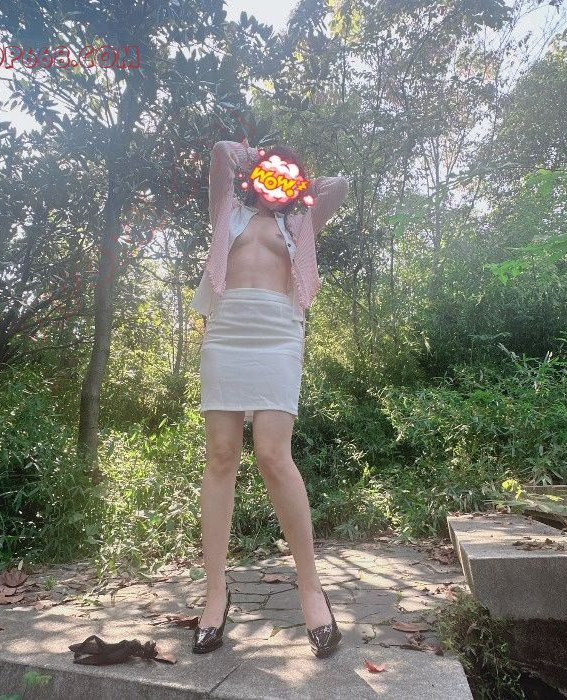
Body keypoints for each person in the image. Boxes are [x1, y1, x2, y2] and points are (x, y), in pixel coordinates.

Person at [189, 138, 349, 657]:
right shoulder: (228, 212)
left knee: (273, 456)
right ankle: (216, 594)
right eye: (268, 173)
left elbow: (340, 186)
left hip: (278, 333)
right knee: (221, 456)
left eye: (285, 176)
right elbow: (220, 153)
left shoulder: (298, 223)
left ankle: (311, 590)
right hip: (226, 331)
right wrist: (253, 159)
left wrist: (295, 180)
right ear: (254, 175)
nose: (275, 181)